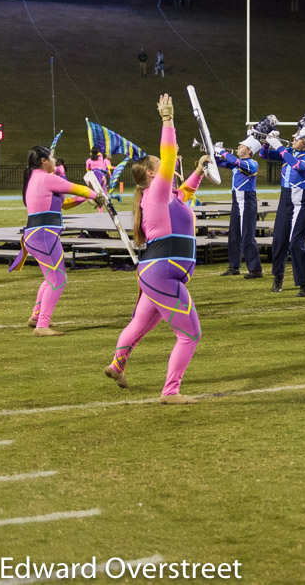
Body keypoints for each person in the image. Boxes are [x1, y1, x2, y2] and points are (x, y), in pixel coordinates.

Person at [103, 93, 208, 404]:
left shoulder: (167, 196)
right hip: (163, 272)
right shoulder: (156, 190)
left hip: (155, 272)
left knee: (139, 324)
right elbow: (170, 150)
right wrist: (167, 120)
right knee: (190, 334)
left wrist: (199, 170)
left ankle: (116, 366)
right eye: (159, 165)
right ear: (151, 174)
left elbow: (185, 193)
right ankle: (170, 392)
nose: (166, 165)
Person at [12, 144, 105, 335]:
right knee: (58, 279)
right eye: (52, 157)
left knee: (50, 278)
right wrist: (97, 195)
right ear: (43, 161)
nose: (55, 160)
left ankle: (36, 317)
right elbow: (77, 188)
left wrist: (89, 198)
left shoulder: (37, 179)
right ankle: (42, 326)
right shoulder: (47, 179)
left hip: (35, 236)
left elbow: (64, 204)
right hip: (44, 236)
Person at [260, 99, 305, 296]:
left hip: (304, 202)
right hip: (286, 199)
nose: (293, 138)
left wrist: (278, 145)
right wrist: (266, 142)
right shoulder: (291, 152)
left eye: (297, 138)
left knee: (296, 242)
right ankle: (278, 277)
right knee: (279, 240)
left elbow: (296, 166)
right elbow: (264, 156)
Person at [216, 134, 262, 279]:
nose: (238, 147)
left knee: (247, 237)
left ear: (248, 151)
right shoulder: (237, 163)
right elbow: (220, 163)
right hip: (237, 201)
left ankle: (255, 270)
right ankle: (234, 266)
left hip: (247, 202)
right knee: (234, 235)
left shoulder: (252, 163)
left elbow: (236, 162)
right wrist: (216, 153)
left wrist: (223, 151)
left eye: (241, 146)